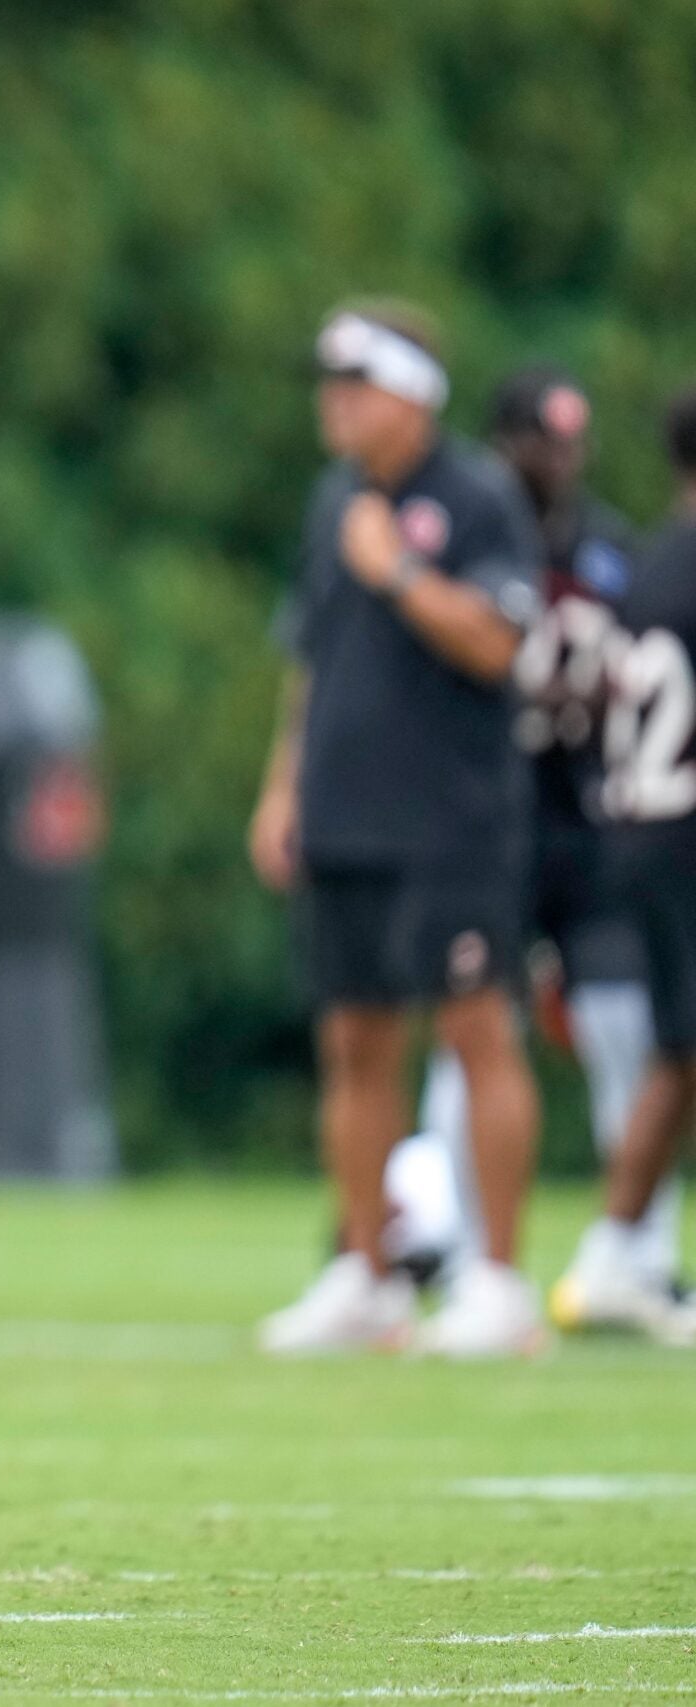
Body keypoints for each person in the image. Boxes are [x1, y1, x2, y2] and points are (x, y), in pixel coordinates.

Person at [250, 303, 546, 1358]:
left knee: (474, 1033)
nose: (332, 406)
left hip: (449, 818)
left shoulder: (475, 498)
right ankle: (366, 1274)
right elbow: (311, 660)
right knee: (352, 1044)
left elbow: (497, 641)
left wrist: (400, 572)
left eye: (353, 386)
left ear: (411, 394)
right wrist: (282, 789)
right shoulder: (334, 498)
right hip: (345, 813)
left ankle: (497, 1281)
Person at [391, 368, 676, 1308]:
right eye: (542, 441)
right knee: (471, 1025)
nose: (560, 460)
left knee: (625, 1022)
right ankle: (456, 1241)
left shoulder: (610, 550)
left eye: (571, 442)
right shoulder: (468, 524)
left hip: (586, 817)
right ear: (505, 442)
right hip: (486, 812)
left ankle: (640, 1252)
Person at [555, 386, 696, 1342]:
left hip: (639, 827)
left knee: (680, 1054)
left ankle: (618, 1250)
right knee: (680, 1052)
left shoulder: (646, 565)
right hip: (684, 827)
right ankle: (613, 1251)